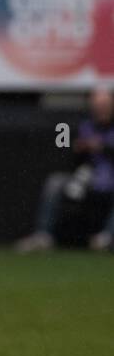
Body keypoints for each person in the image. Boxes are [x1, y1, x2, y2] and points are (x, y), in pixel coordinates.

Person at [16, 86, 114, 253]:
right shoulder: (82, 126)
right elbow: (65, 151)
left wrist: (102, 147)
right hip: (87, 178)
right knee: (55, 182)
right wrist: (79, 150)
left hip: (110, 178)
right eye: (98, 105)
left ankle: (107, 237)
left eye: (105, 105)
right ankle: (43, 235)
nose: (101, 109)